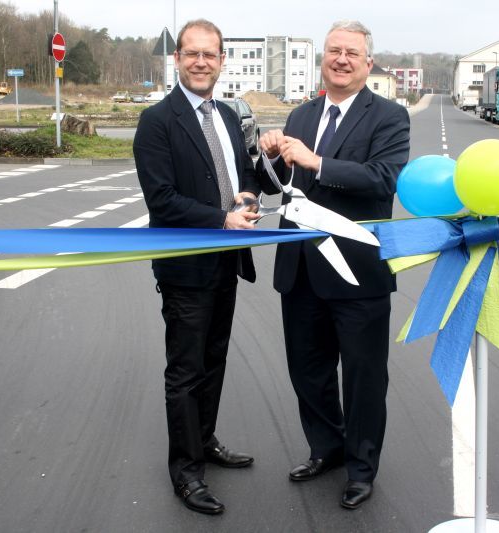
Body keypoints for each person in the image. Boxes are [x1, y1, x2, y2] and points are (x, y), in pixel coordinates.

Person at [256, 20, 410, 509]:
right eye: (333, 51)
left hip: (357, 272)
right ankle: (326, 448)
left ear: (368, 63)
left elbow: (381, 179)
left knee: (364, 377)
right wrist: (270, 156)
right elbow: (280, 183)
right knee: (308, 370)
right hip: (300, 269)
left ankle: (362, 468)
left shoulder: (389, 116)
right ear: (324, 57)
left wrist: (316, 161)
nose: (341, 59)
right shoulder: (300, 114)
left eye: (352, 53)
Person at [133, 19, 260, 516]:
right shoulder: (157, 121)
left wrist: (247, 196)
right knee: (185, 372)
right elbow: (162, 200)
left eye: (210, 54)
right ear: (178, 60)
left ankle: (204, 441)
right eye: (192, 54)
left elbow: (243, 172)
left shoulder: (228, 116)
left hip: (225, 265)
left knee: (214, 360)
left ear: (222, 60)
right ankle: (186, 473)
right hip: (185, 270)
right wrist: (223, 218)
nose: (201, 62)